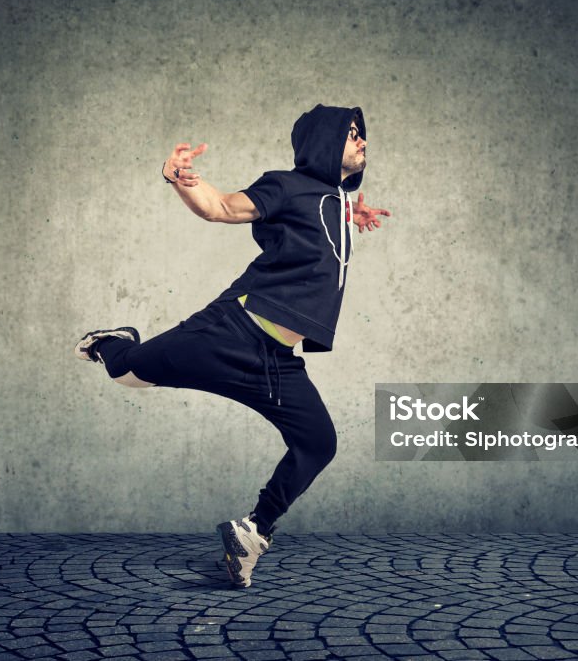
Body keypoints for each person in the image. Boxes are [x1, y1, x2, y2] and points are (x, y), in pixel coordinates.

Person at [75, 104, 390, 588]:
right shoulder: (285, 185)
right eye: (351, 134)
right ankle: (115, 343)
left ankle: (252, 533)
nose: (362, 141)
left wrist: (350, 212)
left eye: (361, 135)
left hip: (275, 362)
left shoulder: (332, 201)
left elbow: (320, 224)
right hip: (230, 332)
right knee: (127, 375)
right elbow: (219, 207)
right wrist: (178, 175)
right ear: (324, 143)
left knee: (318, 443)